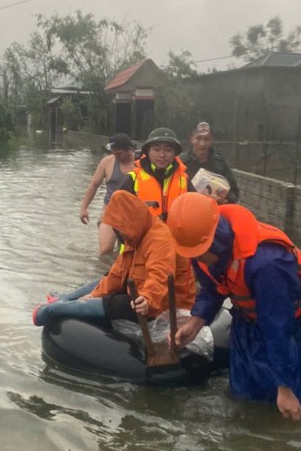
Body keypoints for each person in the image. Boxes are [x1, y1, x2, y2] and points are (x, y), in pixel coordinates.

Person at [166, 193, 301, 419]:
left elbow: (278, 327)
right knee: (248, 397)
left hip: (299, 327)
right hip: (249, 322)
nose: (197, 259)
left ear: (214, 238)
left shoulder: (268, 262)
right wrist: (195, 322)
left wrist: (285, 387)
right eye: (192, 254)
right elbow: (213, 288)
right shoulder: (199, 250)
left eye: (200, 253)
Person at [32, 190, 195, 326]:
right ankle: (64, 299)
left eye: (120, 228)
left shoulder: (160, 240)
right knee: (104, 280)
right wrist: (94, 295)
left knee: (115, 304)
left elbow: (161, 277)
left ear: (131, 222)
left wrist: (147, 299)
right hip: (140, 292)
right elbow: (117, 273)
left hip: (161, 306)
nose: (119, 234)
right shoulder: (137, 235)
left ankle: (49, 311)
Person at [119, 127, 194, 222]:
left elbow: (197, 212)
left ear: (175, 153)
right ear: (148, 152)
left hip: (175, 235)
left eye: (168, 150)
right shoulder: (133, 178)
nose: (162, 155)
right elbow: (118, 214)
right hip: (144, 235)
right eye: (156, 149)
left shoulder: (184, 179)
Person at [79, 132, 136, 256]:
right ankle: (103, 273)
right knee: (105, 250)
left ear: (129, 150)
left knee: (127, 252)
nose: (116, 156)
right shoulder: (107, 162)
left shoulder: (140, 164)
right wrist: (84, 207)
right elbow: (94, 185)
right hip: (110, 210)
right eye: (113, 152)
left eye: (119, 153)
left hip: (132, 213)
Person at [180, 121, 240, 204]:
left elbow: (234, 192)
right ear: (191, 139)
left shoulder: (220, 164)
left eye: (207, 139)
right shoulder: (181, 163)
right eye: (198, 138)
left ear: (212, 140)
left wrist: (225, 200)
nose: (202, 143)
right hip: (188, 211)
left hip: (215, 212)